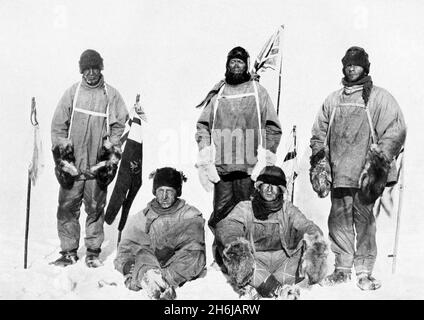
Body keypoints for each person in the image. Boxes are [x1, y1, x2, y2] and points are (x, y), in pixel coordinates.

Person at [310, 46, 406, 290]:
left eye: (357, 64)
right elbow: (319, 133)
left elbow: (395, 130)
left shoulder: (379, 98)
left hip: (365, 175)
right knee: (338, 221)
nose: (352, 68)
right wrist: (320, 160)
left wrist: (378, 160)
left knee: (363, 220)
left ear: (365, 67)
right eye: (348, 64)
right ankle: (342, 269)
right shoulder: (333, 100)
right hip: (339, 173)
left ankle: (364, 271)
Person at [195, 46, 282, 264]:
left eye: (240, 62)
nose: (236, 65)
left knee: (250, 212)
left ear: (246, 65)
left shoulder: (257, 91)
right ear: (227, 65)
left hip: (249, 167)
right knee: (222, 213)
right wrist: (206, 154)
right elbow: (203, 126)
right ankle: (222, 257)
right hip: (222, 167)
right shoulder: (219, 93)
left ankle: (251, 257)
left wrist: (268, 155)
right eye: (232, 62)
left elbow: (272, 126)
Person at [51, 49, 129, 267]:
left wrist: (109, 152)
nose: (92, 73)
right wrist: (63, 156)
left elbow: (119, 125)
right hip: (73, 165)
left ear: (100, 68)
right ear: (81, 70)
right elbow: (58, 126)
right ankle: (68, 252)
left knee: (95, 208)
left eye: (95, 68)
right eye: (87, 69)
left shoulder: (110, 95)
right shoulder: (73, 93)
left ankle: (93, 251)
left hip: (96, 166)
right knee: (67, 207)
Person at [215, 166, 328, 299]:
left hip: (283, 262)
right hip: (254, 262)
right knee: (234, 254)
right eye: (266, 184)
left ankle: (265, 287)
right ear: (259, 187)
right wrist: (235, 244)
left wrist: (315, 246)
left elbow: (307, 226)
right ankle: (274, 288)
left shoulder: (287, 209)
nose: (269, 189)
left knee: (308, 246)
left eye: (275, 186)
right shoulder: (245, 207)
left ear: (280, 190)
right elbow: (228, 225)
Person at [114, 167, 206, 300]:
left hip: (177, 265)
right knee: (141, 256)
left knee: (196, 257)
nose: (164, 196)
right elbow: (124, 251)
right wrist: (129, 267)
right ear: (154, 192)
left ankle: (157, 282)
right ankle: (152, 280)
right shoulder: (142, 217)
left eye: (169, 191)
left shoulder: (189, 214)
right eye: (160, 191)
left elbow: (194, 249)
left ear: (177, 192)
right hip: (150, 262)